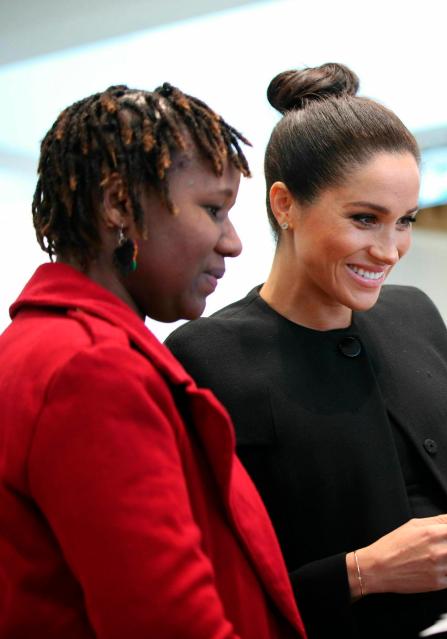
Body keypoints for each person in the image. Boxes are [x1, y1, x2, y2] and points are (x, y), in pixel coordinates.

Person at [165, 63, 447, 638]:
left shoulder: (415, 314)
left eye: (405, 222)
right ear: (285, 205)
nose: (389, 250)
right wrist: (363, 573)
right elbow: (215, 583)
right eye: (365, 220)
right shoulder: (208, 357)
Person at [0, 84, 304, 637]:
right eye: (213, 209)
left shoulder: (45, 347)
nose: (233, 242)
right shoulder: (90, 370)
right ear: (118, 203)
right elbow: (167, 621)